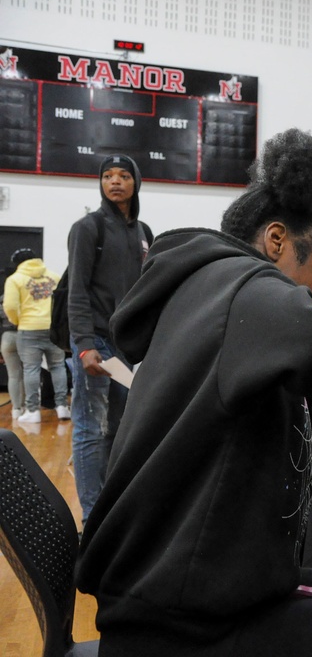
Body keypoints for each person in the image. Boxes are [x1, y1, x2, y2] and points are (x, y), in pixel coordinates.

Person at [77, 129, 312, 657]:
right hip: (181, 623)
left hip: (176, 591)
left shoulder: (205, 291)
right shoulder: (238, 286)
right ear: (276, 240)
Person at [67, 154, 152, 523]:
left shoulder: (145, 232)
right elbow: (77, 292)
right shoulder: (88, 228)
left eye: (122, 175)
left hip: (124, 348)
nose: (114, 181)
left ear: (135, 182)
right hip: (94, 344)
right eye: (107, 175)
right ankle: (92, 518)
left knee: (118, 427)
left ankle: (112, 511)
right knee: (90, 428)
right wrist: (84, 345)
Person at [3, 248, 70, 423]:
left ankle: (33, 411)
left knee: (30, 368)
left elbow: (9, 306)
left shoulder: (15, 279)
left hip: (28, 328)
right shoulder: (54, 277)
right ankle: (62, 406)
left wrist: (18, 321)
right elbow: (63, 301)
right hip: (53, 329)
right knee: (58, 366)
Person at [0, 291, 25, 421]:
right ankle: (28, 407)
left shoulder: (2, 301)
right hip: (24, 335)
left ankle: (16, 409)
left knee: (13, 375)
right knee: (28, 371)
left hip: (6, 337)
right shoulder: (26, 296)